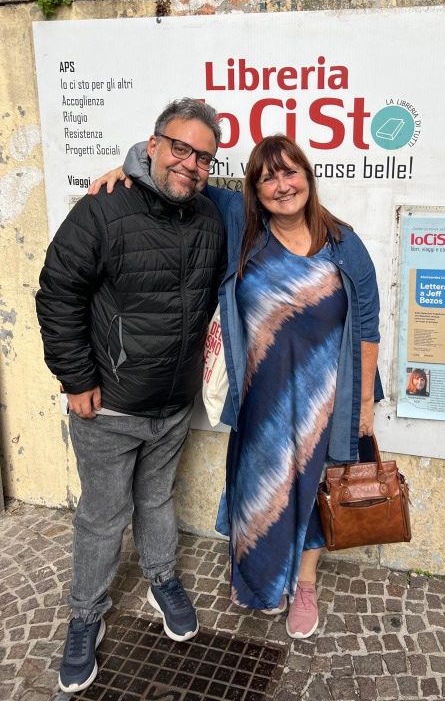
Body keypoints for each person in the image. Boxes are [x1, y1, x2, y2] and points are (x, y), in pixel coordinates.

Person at [93, 133, 383, 640]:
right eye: (267, 177)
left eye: (290, 172)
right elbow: (175, 169)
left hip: (327, 400)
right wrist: (125, 166)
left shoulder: (344, 242)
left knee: (315, 490)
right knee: (259, 491)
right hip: (261, 395)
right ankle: (260, 581)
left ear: (309, 178)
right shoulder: (240, 223)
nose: (281, 185)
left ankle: (306, 585)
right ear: (254, 188)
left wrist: (361, 410)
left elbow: (368, 324)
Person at [36, 99, 226, 693]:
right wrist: (76, 380)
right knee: (101, 517)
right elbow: (57, 293)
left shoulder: (210, 218)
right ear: (152, 144)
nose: (190, 163)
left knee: (157, 500)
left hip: (171, 407)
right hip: (108, 408)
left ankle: (162, 577)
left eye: (203, 157)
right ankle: (85, 617)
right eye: (180, 148)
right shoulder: (104, 208)